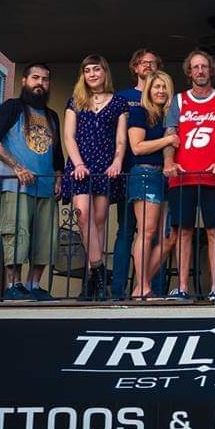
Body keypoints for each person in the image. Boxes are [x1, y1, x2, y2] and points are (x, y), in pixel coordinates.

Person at [163, 50, 215, 302]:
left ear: (210, 70)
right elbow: (171, 134)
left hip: (214, 178)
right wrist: (169, 162)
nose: (200, 71)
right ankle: (182, 287)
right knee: (183, 231)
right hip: (183, 176)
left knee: (214, 231)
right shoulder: (179, 100)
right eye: (195, 67)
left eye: (204, 67)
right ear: (189, 72)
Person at [0, 63, 63, 301]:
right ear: (24, 81)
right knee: (17, 235)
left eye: (45, 79)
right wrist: (17, 167)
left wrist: (59, 178)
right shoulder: (12, 107)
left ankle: (33, 285)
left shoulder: (52, 116)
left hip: (46, 188)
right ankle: (13, 285)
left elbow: (57, 154)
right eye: (35, 78)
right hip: (16, 185)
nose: (40, 83)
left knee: (46, 238)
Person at [61, 54, 128, 300]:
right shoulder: (75, 101)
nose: (92, 74)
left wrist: (118, 161)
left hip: (105, 166)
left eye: (96, 69)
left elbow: (121, 138)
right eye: (87, 70)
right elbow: (69, 136)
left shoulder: (119, 103)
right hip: (81, 166)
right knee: (83, 215)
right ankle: (100, 272)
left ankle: (91, 285)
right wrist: (78, 163)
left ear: (104, 72)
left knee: (98, 223)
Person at [111, 48, 166, 299]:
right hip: (129, 172)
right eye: (144, 63)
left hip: (159, 174)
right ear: (135, 67)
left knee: (158, 234)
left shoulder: (164, 103)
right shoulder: (123, 98)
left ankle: (154, 287)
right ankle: (118, 289)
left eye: (153, 63)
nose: (149, 66)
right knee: (126, 231)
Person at [127, 71, 180, 299]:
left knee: (169, 238)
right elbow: (137, 147)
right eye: (156, 87)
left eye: (164, 87)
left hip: (167, 178)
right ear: (148, 90)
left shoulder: (170, 115)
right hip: (145, 174)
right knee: (147, 232)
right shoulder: (139, 112)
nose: (160, 91)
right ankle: (143, 286)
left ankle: (142, 284)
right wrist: (168, 140)